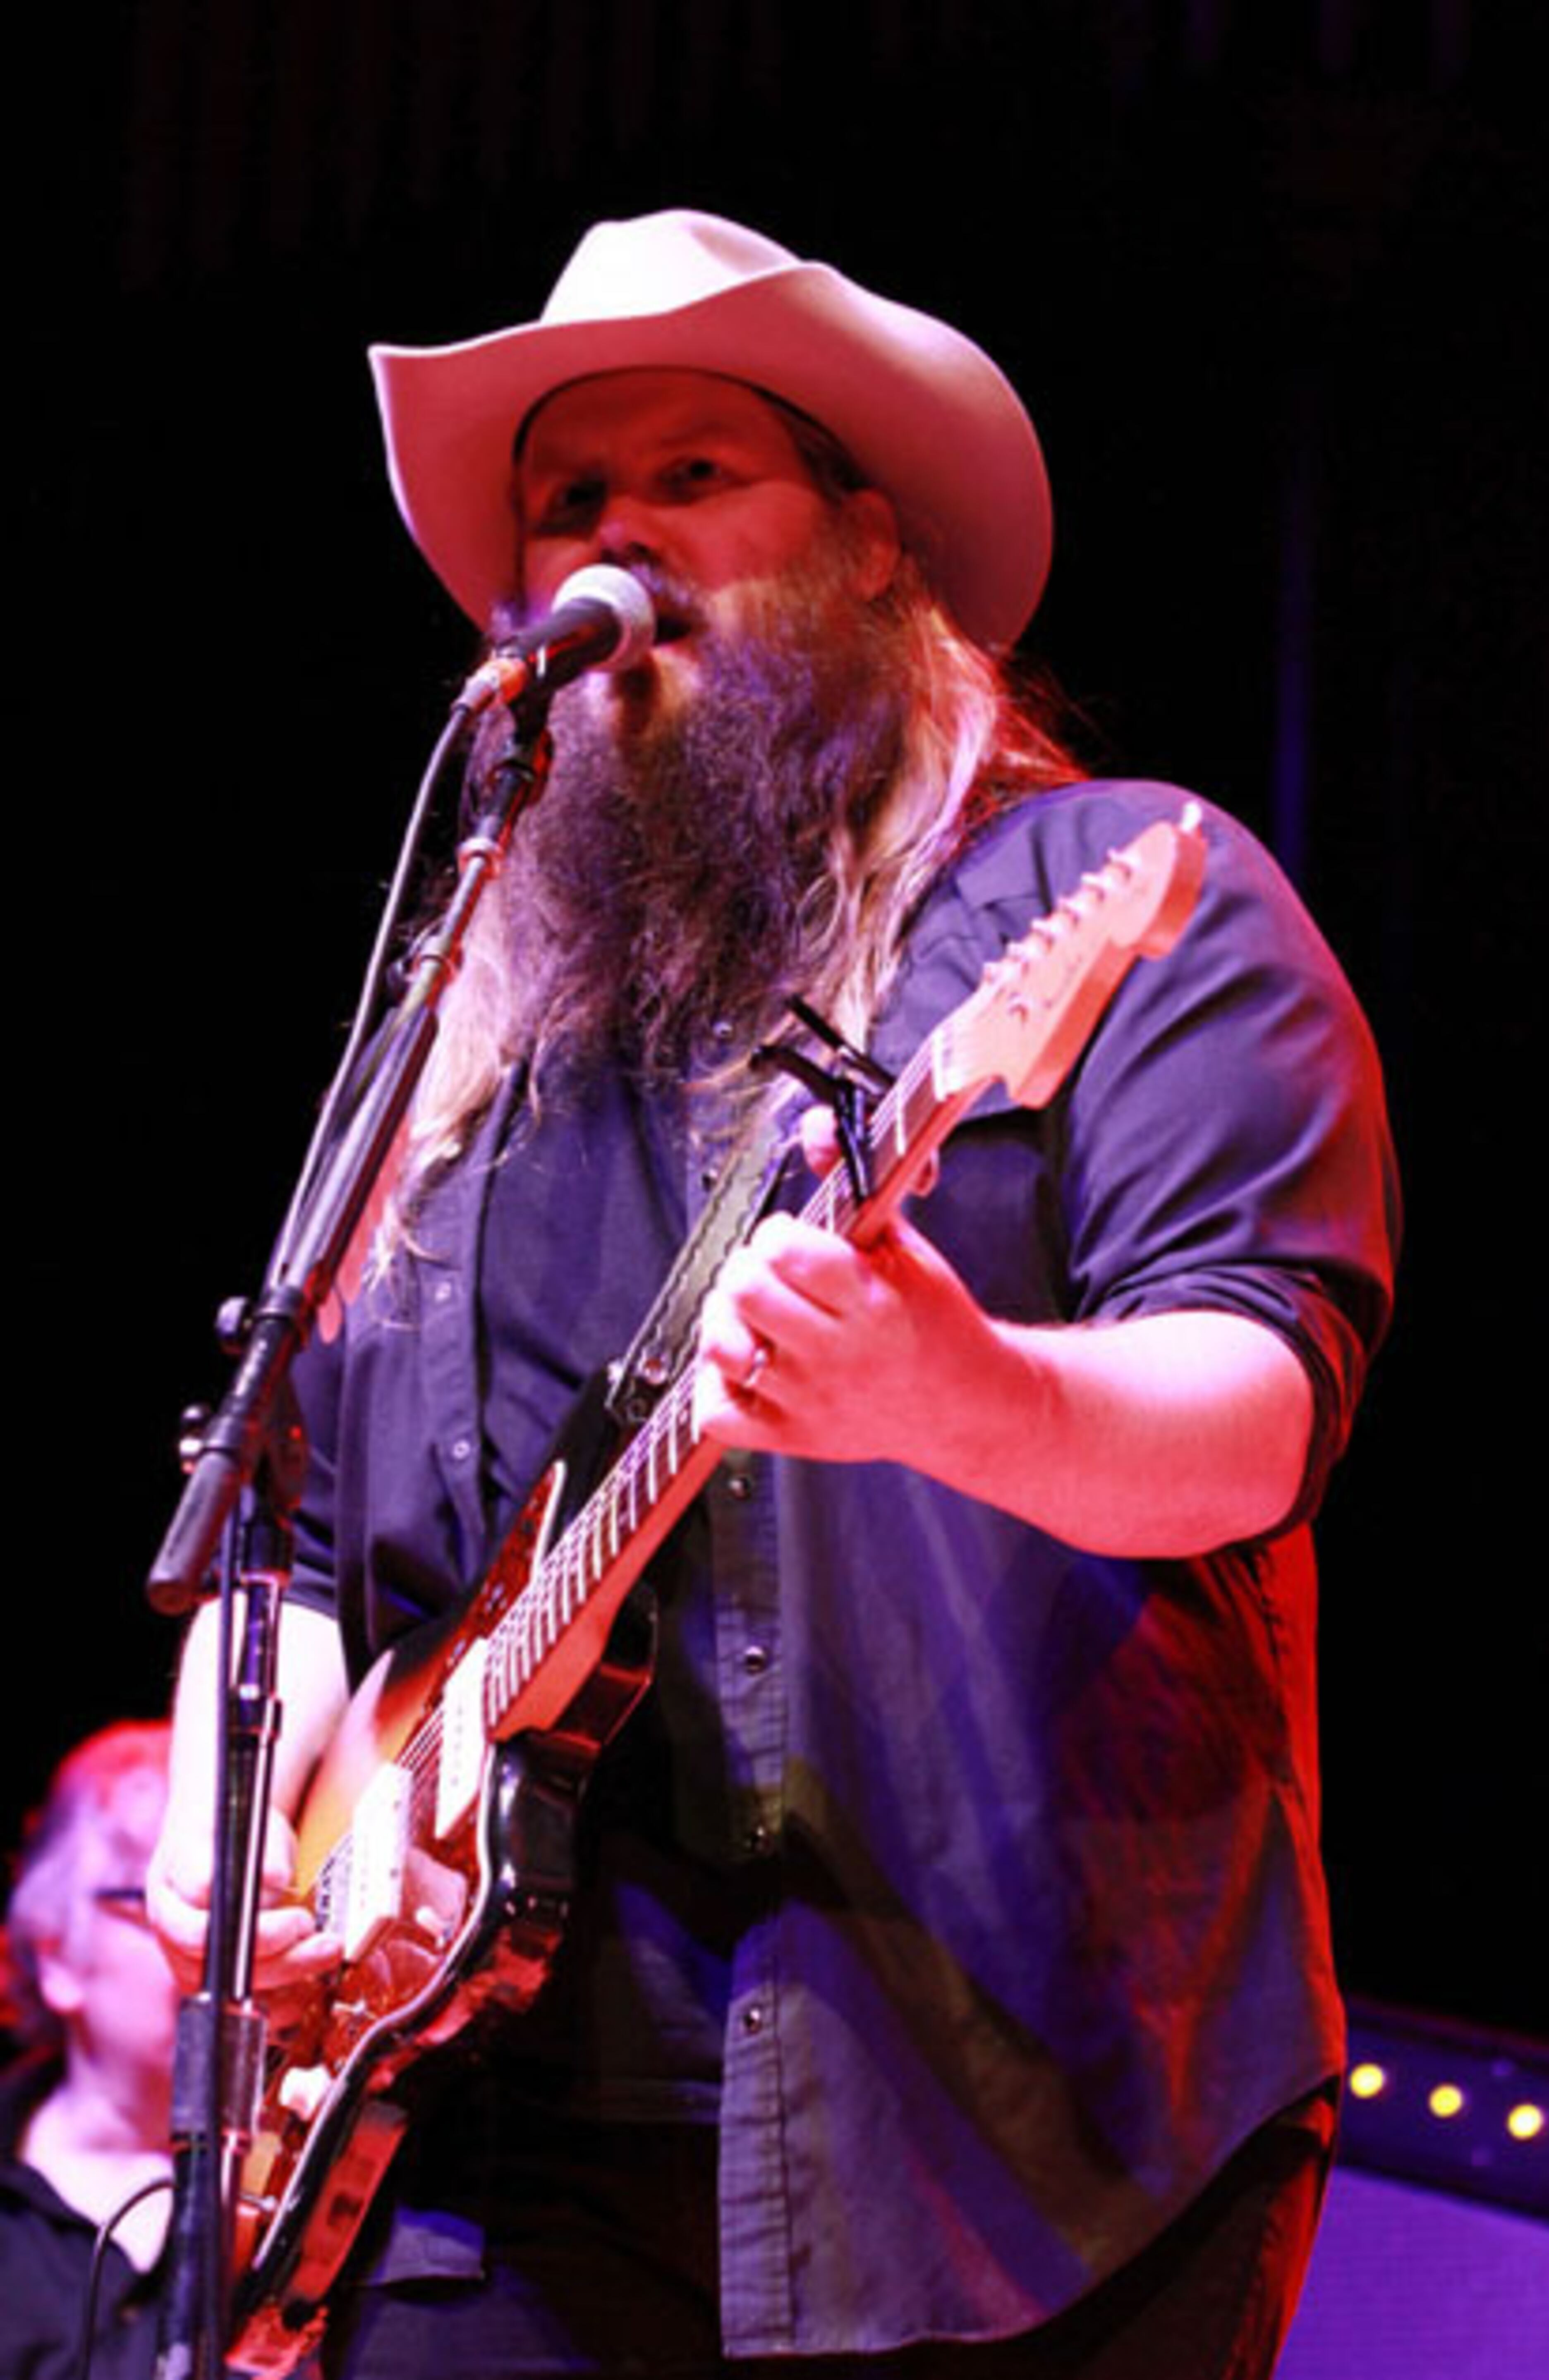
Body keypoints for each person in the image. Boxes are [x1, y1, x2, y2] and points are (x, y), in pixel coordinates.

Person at [149, 210, 1399, 2379]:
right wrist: (234, 1816)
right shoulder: (473, 1042)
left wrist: (962, 1389)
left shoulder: (1107, 901)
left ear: (870, 543)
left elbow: (1261, 1398)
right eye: (567, 500)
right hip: (476, 2139)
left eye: (691, 475)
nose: (613, 536)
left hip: (1011, 2141)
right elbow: (298, 1534)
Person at [2, 1721, 176, 2380]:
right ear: (57, 1954)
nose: (210, 1946)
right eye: (156, 1905)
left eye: (237, 1905)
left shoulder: (322, 2195)